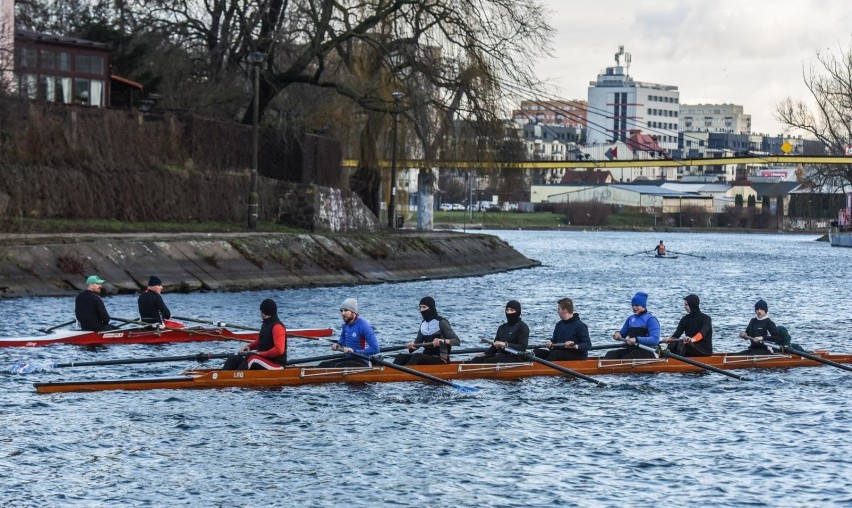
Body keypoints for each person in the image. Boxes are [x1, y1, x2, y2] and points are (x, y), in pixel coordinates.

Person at [394, 297, 461, 365]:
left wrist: (443, 341)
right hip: (427, 357)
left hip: (441, 358)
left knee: (417, 356)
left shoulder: (441, 322)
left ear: (431, 308)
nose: (421, 310)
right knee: (400, 357)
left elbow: (457, 341)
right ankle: (389, 373)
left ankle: (404, 375)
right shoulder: (423, 324)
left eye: (424, 307)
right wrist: (412, 345)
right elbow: (417, 344)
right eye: (420, 307)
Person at [223, 299, 287, 370]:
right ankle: (221, 378)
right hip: (264, 360)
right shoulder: (266, 324)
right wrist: (249, 347)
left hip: (276, 364)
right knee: (233, 358)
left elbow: (279, 350)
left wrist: (260, 354)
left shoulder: (277, 327)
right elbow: (260, 341)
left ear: (263, 313)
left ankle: (236, 378)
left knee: (252, 357)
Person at [317, 298, 380, 367]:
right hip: (349, 359)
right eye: (341, 310)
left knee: (336, 366)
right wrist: (337, 345)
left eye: (346, 310)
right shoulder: (345, 326)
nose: (342, 313)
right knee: (323, 364)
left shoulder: (364, 326)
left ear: (354, 312)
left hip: (362, 361)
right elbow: (341, 343)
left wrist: (355, 351)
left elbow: (375, 349)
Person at [605, 291, 660, 359]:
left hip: (649, 351)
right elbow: (623, 333)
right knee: (610, 355)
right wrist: (618, 334)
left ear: (643, 306)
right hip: (633, 349)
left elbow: (655, 340)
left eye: (636, 305)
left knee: (626, 359)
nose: (634, 307)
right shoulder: (631, 319)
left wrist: (636, 339)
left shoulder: (651, 319)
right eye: (632, 305)